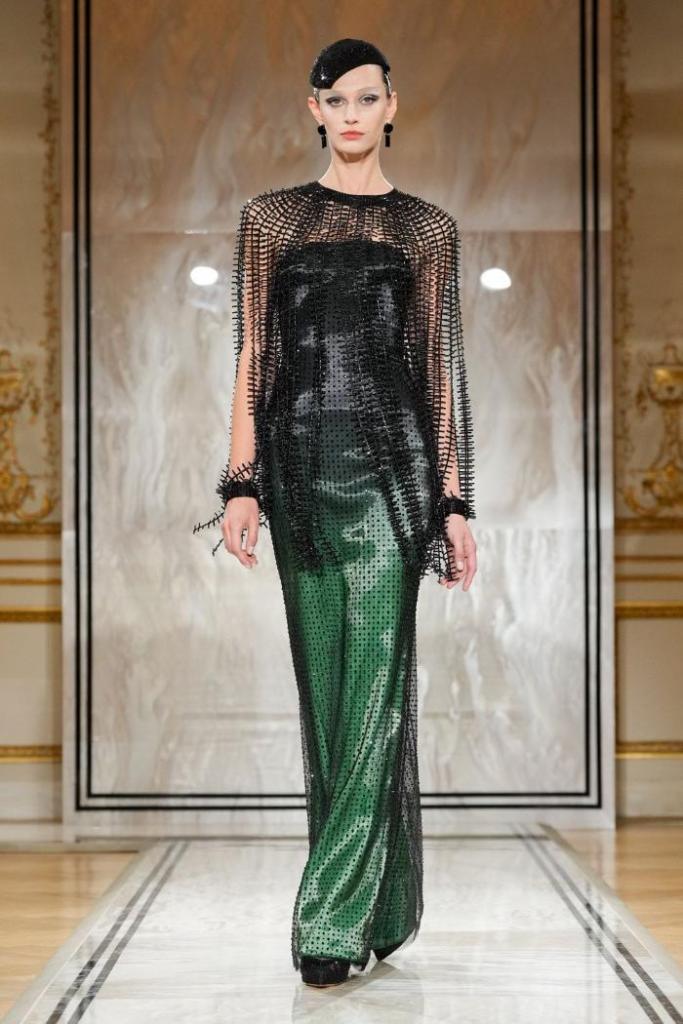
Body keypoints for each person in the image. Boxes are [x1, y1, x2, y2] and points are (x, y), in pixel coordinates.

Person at [193, 37, 478, 988]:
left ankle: (325, 919)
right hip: (301, 475)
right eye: (335, 100)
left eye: (366, 98)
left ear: (391, 104)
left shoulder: (426, 230)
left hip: (395, 480)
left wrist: (454, 501)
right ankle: (380, 905)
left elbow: (438, 370)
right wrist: (239, 482)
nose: (351, 114)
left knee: (377, 688)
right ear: (313, 109)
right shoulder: (270, 220)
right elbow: (253, 355)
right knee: (327, 698)